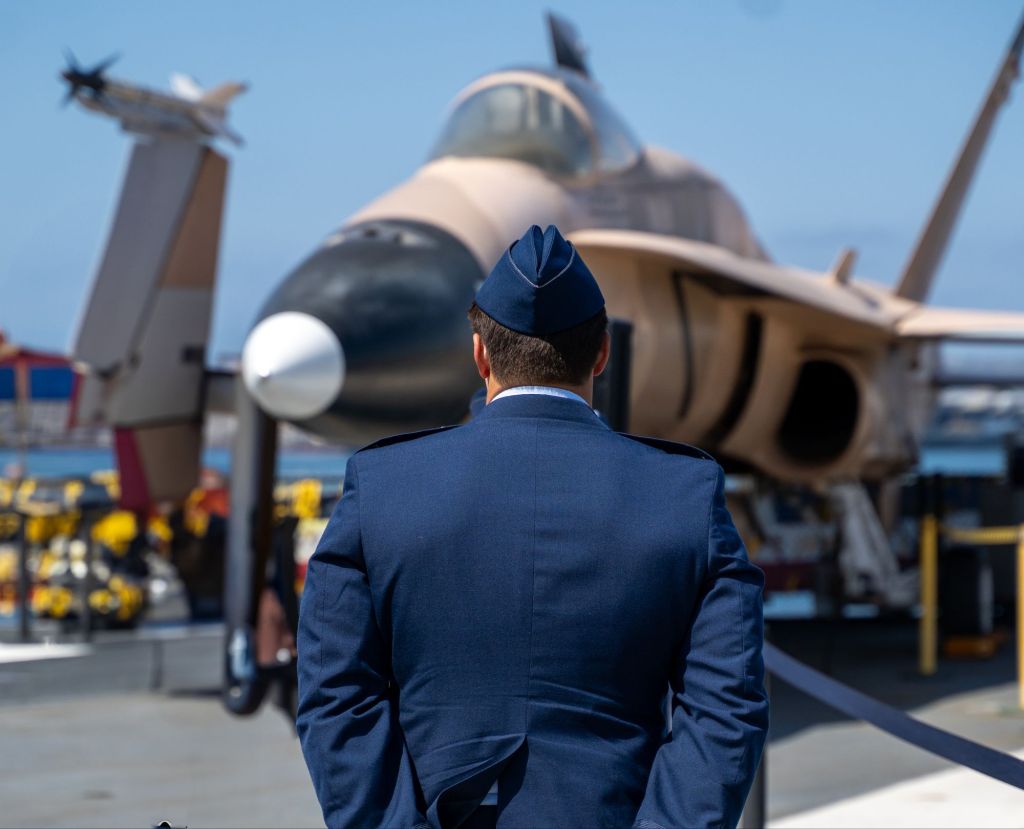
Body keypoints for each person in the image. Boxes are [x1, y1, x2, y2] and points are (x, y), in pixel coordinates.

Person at [296, 225, 768, 829]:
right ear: (602, 353)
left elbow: (336, 699)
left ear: (479, 354)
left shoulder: (382, 486)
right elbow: (727, 710)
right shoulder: (685, 495)